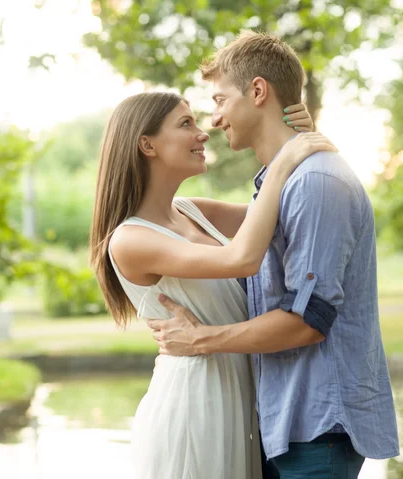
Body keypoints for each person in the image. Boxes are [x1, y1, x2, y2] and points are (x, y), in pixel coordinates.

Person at [146, 31, 400, 479]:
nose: (215, 118)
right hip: (285, 424)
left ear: (257, 91)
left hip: (318, 431)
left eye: (220, 100)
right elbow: (180, 216)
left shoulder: (316, 182)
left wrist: (199, 340)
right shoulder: (281, 185)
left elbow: (307, 321)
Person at [89, 91, 337, 479]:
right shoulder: (129, 240)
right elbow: (242, 258)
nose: (203, 134)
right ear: (146, 144)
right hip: (192, 404)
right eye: (186, 124)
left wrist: (298, 141)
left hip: (237, 398)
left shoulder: (195, 211)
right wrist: (284, 161)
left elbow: (291, 209)